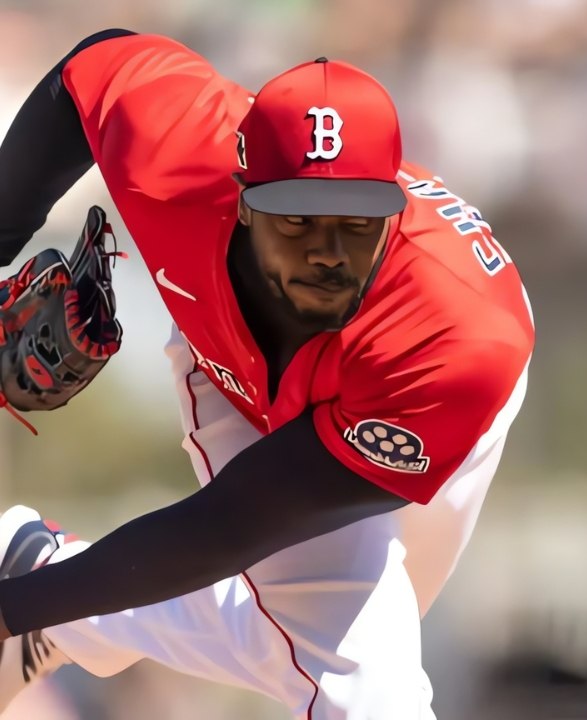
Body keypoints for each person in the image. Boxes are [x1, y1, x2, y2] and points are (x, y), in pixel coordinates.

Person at [0, 28, 534, 719]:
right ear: (245, 198)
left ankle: (38, 579)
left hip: (424, 400)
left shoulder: (452, 338)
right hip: (227, 369)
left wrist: (18, 607)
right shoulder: (182, 152)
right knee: (364, 690)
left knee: (324, 638)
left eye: (358, 221)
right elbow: (94, 68)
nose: (328, 255)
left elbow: (234, 526)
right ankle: (45, 594)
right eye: (297, 220)